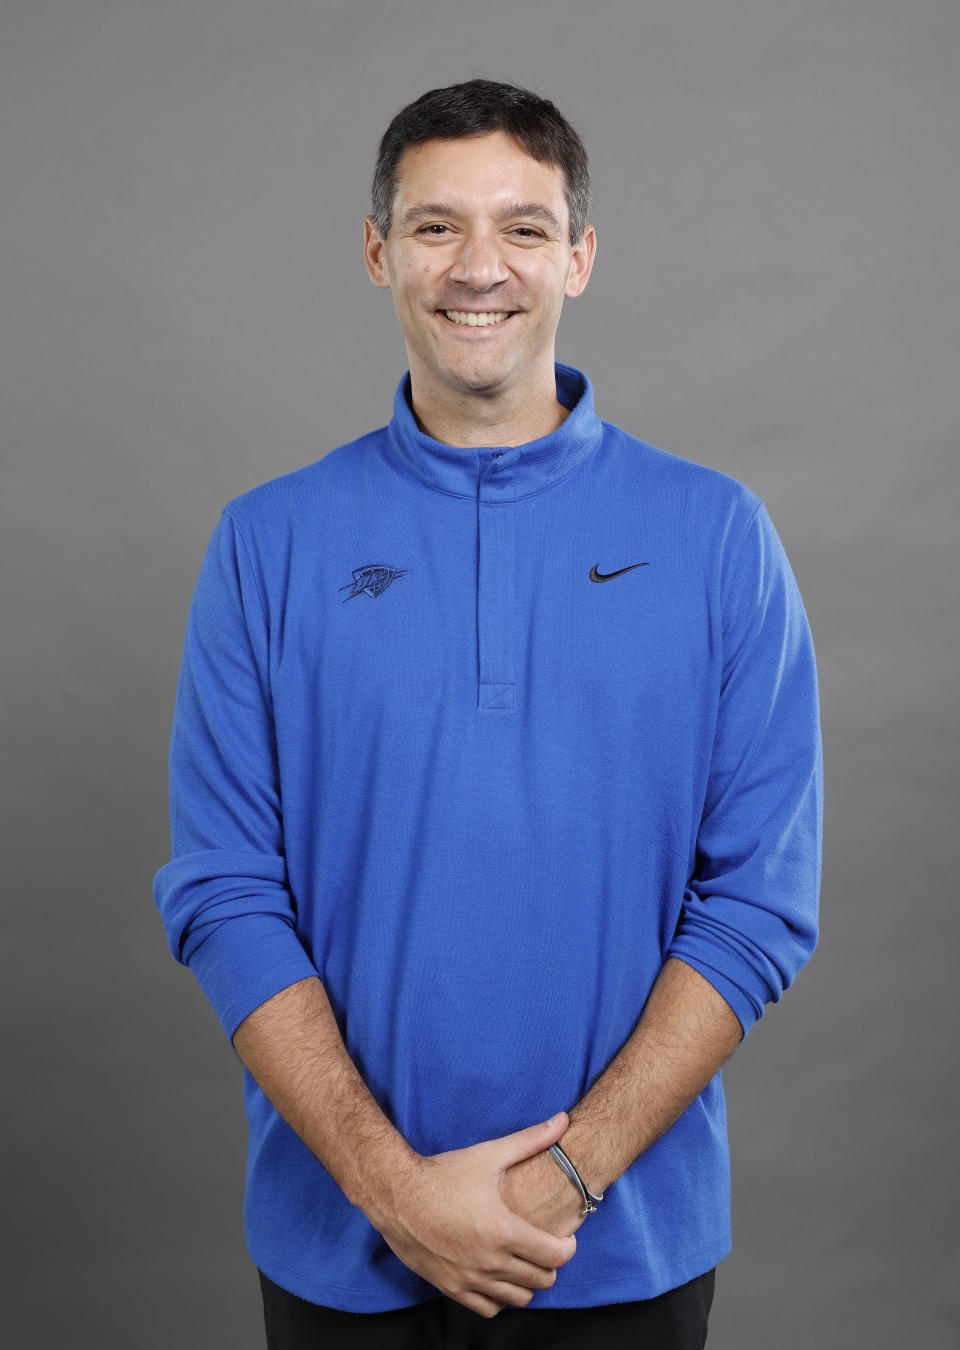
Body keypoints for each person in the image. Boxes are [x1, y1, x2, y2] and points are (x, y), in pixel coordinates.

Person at [153, 78, 822, 1350]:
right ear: (376, 251)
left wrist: (558, 1185)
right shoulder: (268, 544)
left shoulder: (717, 535)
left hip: (619, 1248)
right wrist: (396, 1194)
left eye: (523, 227)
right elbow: (226, 894)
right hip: (342, 1251)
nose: (479, 268)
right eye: (435, 226)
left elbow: (757, 904)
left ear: (578, 255)